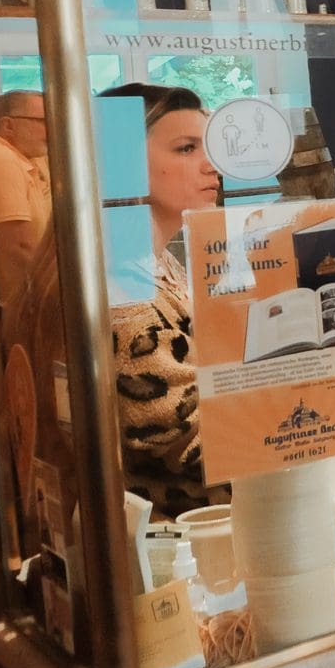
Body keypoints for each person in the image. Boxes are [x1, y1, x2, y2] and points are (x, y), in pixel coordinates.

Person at [100, 84, 224, 515]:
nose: (213, 165)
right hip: (181, 533)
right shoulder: (125, 297)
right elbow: (191, 443)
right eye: (187, 148)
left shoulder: (158, 265)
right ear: (123, 165)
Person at [0, 89, 50, 307]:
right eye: (42, 121)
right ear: (8, 125)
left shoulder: (31, 157)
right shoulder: (0, 158)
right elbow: (17, 246)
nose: (51, 129)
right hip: (21, 304)